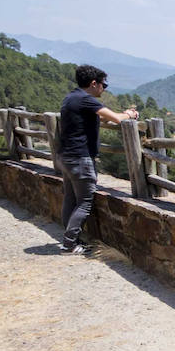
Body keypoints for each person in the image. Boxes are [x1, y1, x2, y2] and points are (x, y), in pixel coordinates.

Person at [57, 64, 138, 253]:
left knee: (70, 198)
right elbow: (118, 119)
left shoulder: (71, 98)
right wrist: (130, 114)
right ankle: (69, 243)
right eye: (104, 85)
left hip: (66, 156)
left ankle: (69, 237)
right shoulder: (87, 100)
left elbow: (93, 119)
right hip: (80, 157)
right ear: (94, 83)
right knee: (85, 201)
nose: (104, 88)